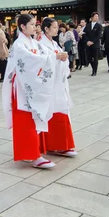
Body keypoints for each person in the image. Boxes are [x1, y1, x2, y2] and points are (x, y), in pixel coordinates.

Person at [2, 14, 65, 169]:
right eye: (31, 24)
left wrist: (56, 56)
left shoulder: (32, 42)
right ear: (22, 26)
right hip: (22, 87)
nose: (34, 27)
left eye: (34, 24)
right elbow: (31, 60)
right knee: (26, 121)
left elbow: (46, 53)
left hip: (30, 85)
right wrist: (54, 57)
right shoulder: (19, 44)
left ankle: (31, 153)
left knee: (33, 118)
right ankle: (33, 155)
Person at [39, 18, 77, 157]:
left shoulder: (54, 43)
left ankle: (63, 144)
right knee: (52, 112)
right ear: (46, 29)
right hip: (49, 86)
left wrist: (63, 58)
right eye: (54, 27)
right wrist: (56, 57)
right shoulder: (41, 44)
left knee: (61, 110)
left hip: (58, 84)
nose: (56, 29)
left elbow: (59, 60)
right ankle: (54, 145)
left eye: (56, 27)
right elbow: (41, 63)